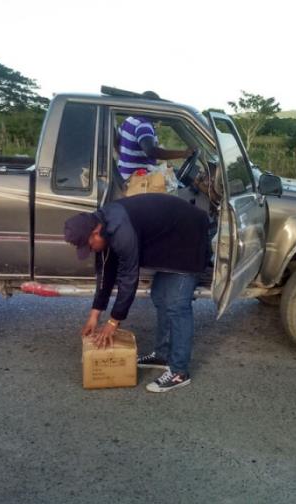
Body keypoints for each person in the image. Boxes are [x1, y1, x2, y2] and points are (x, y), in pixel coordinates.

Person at [63, 192, 210, 393]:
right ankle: (163, 354)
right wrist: (94, 315)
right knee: (159, 295)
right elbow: (105, 273)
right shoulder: (103, 228)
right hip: (170, 240)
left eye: (89, 245)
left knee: (177, 305)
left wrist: (113, 322)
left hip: (189, 236)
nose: (90, 250)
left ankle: (179, 372)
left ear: (96, 231)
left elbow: (128, 278)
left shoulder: (122, 232)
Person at [116, 91, 193, 180]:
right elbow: (152, 151)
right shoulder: (143, 125)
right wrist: (183, 154)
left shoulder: (129, 120)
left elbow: (116, 140)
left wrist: (126, 159)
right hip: (137, 181)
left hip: (125, 176)